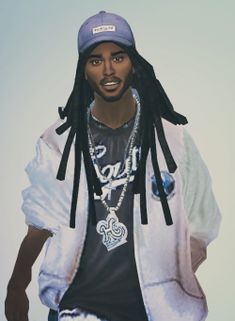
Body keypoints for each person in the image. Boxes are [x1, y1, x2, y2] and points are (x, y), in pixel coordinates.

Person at [5, 10, 221, 321]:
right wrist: (16, 287)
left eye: (117, 57)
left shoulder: (172, 141)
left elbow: (204, 220)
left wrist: (169, 278)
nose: (108, 69)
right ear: (84, 70)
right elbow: (38, 223)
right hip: (77, 310)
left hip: (153, 313)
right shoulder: (58, 143)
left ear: (133, 62)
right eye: (95, 60)